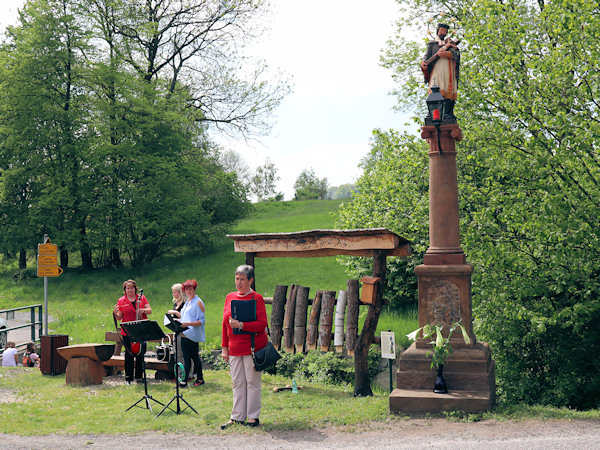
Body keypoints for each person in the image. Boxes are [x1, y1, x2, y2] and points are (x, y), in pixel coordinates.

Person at [221, 264, 268, 429]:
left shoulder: (257, 298)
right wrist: (224, 347)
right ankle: (237, 417)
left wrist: (241, 325)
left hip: (251, 348)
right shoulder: (229, 297)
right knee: (237, 382)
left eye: (242, 279)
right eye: (237, 278)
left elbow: (262, 324)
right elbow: (224, 324)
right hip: (234, 348)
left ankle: (253, 417)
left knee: (252, 382)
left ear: (251, 280)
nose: (238, 282)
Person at [113, 279, 152, 385]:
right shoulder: (121, 300)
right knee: (129, 355)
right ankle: (128, 378)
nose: (130, 290)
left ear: (135, 289)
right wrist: (116, 313)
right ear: (125, 290)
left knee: (140, 353)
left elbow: (150, 310)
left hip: (140, 329)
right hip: (127, 331)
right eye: (127, 288)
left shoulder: (141, 298)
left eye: (131, 288)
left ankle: (139, 377)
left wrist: (143, 310)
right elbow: (119, 317)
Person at [420, 23, 460, 120]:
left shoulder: (450, 44)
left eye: (445, 31)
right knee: (435, 87)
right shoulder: (432, 44)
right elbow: (427, 56)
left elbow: (457, 55)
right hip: (436, 69)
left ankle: (448, 113)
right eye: (442, 30)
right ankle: (433, 113)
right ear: (437, 31)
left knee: (449, 89)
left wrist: (449, 54)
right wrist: (423, 63)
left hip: (449, 69)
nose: (443, 32)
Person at [178, 279, 206, 388]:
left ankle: (187, 381)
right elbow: (184, 317)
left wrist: (188, 324)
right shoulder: (188, 302)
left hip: (192, 335)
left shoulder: (198, 302)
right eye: (186, 289)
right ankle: (197, 378)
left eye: (191, 289)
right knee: (190, 358)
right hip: (185, 334)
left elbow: (202, 321)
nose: (188, 291)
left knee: (192, 358)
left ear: (194, 289)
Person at [166, 283, 187, 368]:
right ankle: (179, 372)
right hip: (176, 329)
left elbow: (184, 316)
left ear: (180, 292)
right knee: (177, 352)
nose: (174, 294)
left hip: (183, 330)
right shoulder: (176, 303)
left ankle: (187, 372)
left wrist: (175, 312)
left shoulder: (184, 303)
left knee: (183, 352)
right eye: (173, 292)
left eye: (175, 292)